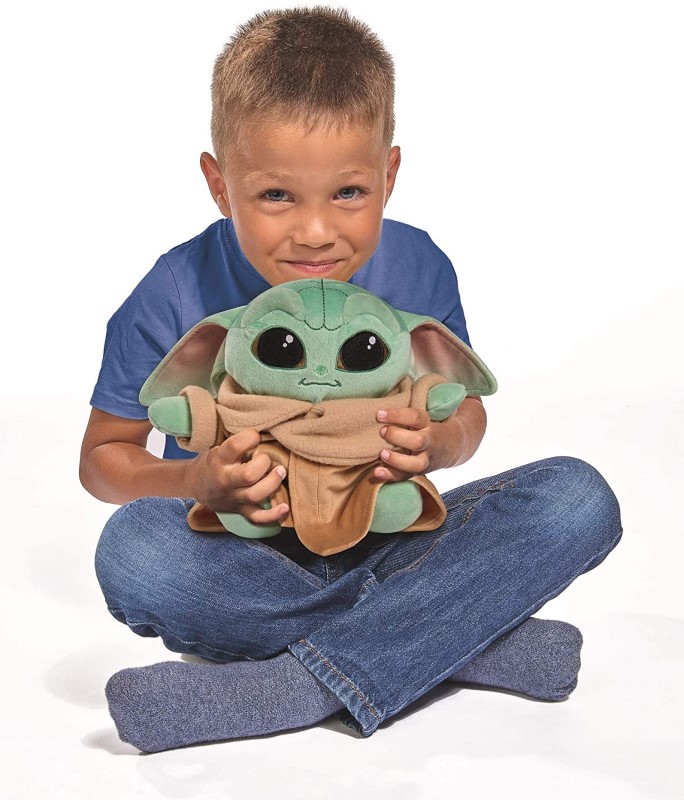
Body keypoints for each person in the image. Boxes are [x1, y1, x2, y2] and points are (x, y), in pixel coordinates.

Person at [80, 7, 622, 753]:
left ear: (388, 175)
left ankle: (291, 687)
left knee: (577, 497)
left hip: (391, 531)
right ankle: (457, 641)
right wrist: (196, 481)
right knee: (136, 551)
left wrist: (438, 444)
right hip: (241, 555)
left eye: (348, 193)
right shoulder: (173, 288)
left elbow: (465, 415)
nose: (315, 232)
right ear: (219, 184)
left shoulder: (419, 264)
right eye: (276, 196)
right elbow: (102, 460)